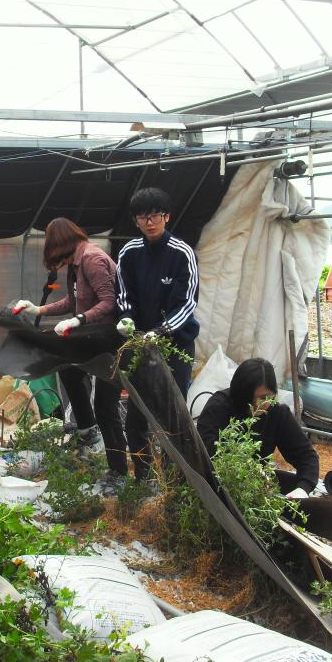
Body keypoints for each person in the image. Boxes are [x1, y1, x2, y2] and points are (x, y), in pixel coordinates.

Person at [13, 217, 127, 478]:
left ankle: (118, 471)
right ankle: (87, 430)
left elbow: (109, 302)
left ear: (60, 245)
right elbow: (72, 300)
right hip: (91, 335)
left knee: (106, 406)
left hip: (109, 340)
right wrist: (37, 309)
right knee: (66, 366)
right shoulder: (76, 264)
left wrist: (79, 319)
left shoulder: (92, 260)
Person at [115, 187, 199, 481]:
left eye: (155, 216)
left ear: (166, 217)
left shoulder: (182, 253)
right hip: (140, 344)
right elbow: (125, 294)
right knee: (137, 412)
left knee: (174, 411)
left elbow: (187, 302)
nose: (149, 222)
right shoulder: (129, 253)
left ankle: (177, 479)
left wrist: (161, 332)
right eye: (142, 216)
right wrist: (126, 319)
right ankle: (144, 477)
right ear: (135, 220)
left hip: (176, 343)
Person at [197, 358, 319, 498]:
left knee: (296, 486)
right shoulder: (219, 407)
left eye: (266, 397)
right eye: (255, 398)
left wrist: (303, 489)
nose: (259, 404)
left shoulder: (276, 413)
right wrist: (246, 471)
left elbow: (306, 456)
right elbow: (205, 454)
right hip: (220, 485)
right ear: (242, 395)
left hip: (258, 483)